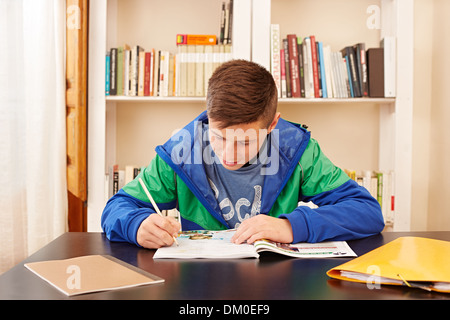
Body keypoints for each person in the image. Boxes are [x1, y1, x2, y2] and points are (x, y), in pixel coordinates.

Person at [101, 59, 384, 249]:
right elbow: (116, 208)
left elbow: (367, 213)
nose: (228, 154)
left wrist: (291, 226)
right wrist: (135, 224)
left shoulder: (295, 150)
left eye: (245, 142)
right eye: (218, 137)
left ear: (272, 125)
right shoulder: (182, 150)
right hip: (199, 286)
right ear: (208, 118)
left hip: (276, 284)